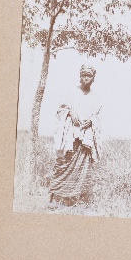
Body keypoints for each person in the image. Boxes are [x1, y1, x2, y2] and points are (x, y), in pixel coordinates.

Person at [48, 64, 104, 207]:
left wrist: (91, 121)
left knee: (82, 167)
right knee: (63, 163)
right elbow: (60, 109)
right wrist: (70, 112)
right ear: (80, 76)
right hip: (70, 135)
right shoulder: (71, 92)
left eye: (89, 76)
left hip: (85, 137)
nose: (86, 78)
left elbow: (98, 117)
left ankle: (75, 199)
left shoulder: (96, 98)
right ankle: (54, 196)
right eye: (84, 75)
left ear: (93, 78)